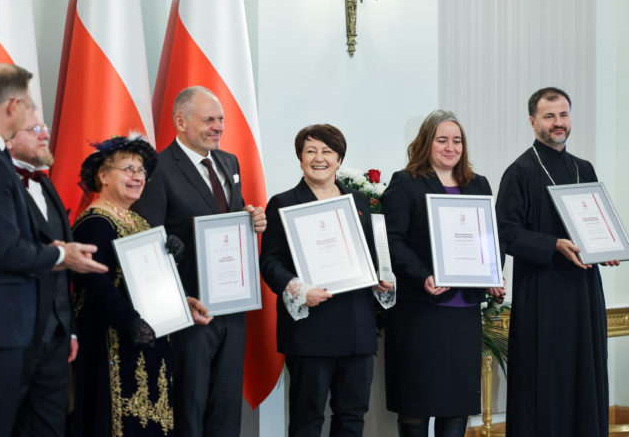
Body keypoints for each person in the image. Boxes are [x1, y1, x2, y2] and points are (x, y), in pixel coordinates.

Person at [0, 63, 107, 437]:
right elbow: (6, 252)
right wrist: (63, 256)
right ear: (12, 105)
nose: (33, 116)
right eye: (28, 106)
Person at [132, 86, 266, 437]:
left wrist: (252, 219)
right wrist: (176, 302)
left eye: (221, 119)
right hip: (190, 311)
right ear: (180, 121)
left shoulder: (229, 161)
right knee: (190, 409)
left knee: (225, 410)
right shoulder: (158, 169)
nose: (219, 126)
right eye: (209, 119)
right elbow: (150, 245)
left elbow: (229, 220)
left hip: (233, 309)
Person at [259, 124, 394, 437]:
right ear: (300, 158)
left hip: (356, 329)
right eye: (310, 151)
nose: (319, 158)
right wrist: (298, 289)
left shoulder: (358, 201)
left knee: (352, 417)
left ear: (339, 159)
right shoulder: (283, 202)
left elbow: (370, 257)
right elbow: (270, 262)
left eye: (327, 151)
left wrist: (379, 280)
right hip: (310, 330)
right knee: (307, 420)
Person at [496, 87, 616, 437]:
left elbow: (597, 221)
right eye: (549, 116)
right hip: (543, 296)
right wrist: (553, 245)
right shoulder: (519, 171)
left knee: (585, 372)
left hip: (583, 292)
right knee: (545, 380)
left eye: (563, 115)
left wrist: (605, 246)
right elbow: (505, 232)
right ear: (533, 121)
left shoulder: (583, 167)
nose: (558, 123)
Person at [379, 110, 503, 437]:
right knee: (417, 405)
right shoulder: (405, 183)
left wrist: (494, 275)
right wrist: (422, 275)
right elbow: (393, 240)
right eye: (442, 140)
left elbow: (489, 237)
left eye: (457, 141)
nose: (451, 147)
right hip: (421, 311)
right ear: (426, 143)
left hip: (463, 314)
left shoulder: (478, 184)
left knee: (457, 405)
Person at [71, 135, 202, 437]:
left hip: (148, 339)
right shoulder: (94, 222)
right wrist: (130, 321)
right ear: (102, 176)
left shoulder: (139, 222)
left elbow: (153, 282)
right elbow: (98, 282)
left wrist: (181, 296)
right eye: (128, 169)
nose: (137, 176)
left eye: (141, 170)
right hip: (112, 342)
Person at [6, 104, 77, 436]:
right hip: (11, 336)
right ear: (8, 138)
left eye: (44, 127)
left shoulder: (46, 183)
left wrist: (69, 328)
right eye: (35, 129)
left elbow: (65, 266)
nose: (45, 134)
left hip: (55, 339)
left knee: (50, 428)